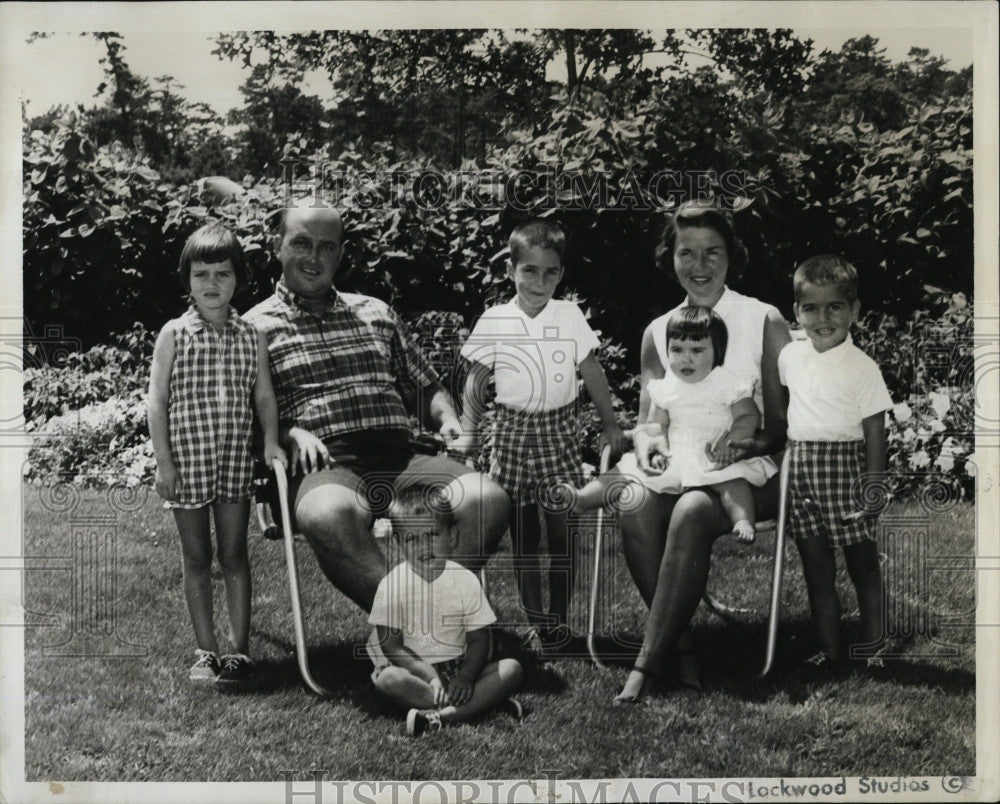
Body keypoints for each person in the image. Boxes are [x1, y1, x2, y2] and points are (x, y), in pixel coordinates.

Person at [243, 205, 510, 612]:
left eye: (326, 247)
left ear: (340, 254)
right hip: (323, 465)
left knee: (486, 499)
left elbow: (425, 387)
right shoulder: (251, 330)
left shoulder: (376, 312)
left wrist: (447, 418)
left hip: (402, 457)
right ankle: (413, 621)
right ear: (277, 246)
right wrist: (288, 434)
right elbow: (244, 422)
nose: (314, 257)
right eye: (301, 243)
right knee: (326, 515)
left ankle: (437, 616)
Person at [613, 200, 792, 703]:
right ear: (668, 257)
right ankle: (683, 647)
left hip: (750, 474)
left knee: (693, 508)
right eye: (686, 252)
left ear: (732, 256)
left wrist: (741, 445)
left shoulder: (764, 319)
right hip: (681, 466)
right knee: (633, 500)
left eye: (712, 252)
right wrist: (650, 446)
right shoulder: (659, 330)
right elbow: (650, 420)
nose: (699, 266)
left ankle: (645, 667)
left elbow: (779, 426)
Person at [453, 220, 628, 654]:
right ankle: (537, 622)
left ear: (561, 275)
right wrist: (470, 434)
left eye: (550, 272)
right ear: (510, 270)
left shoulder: (568, 316)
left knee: (563, 530)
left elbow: (591, 372)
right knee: (524, 536)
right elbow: (475, 381)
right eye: (529, 270)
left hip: (559, 434)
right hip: (511, 434)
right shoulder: (496, 320)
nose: (540, 281)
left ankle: (560, 618)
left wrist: (610, 423)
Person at [147, 221, 287, 683]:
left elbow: (264, 396)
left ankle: (239, 651)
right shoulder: (174, 334)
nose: (212, 284)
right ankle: (206, 650)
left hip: (232, 463)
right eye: (201, 274)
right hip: (187, 463)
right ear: (187, 279)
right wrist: (163, 461)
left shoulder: (252, 336)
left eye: (222, 274)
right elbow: (158, 400)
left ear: (237, 279)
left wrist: (269, 440)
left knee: (234, 555)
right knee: (196, 556)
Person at [572, 306, 777, 544]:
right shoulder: (667, 386)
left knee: (732, 483)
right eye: (677, 349)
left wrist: (731, 441)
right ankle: (583, 498)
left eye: (697, 350)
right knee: (625, 471)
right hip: (676, 453)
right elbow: (657, 425)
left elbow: (748, 416)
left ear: (717, 352)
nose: (685, 358)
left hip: (712, 455)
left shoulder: (727, 383)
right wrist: (659, 449)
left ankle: (742, 520)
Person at [780, 255, 893, 668]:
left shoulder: (863, 368)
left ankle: (873, 646)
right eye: (810, 308)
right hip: (802, 472)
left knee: (862, 566)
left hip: (845, 471)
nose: (822, 318)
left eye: (835, 307)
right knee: (817, 569)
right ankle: (828, 648)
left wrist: (874, 484)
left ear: (854, 309)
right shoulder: (790, 358)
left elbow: (875, 430)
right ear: (796, 312)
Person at [366, 485, 525, 736]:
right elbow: (391, 645)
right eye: (411, 539)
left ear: (451, 536)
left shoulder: (465, 580)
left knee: (512, 669)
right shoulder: (392, 585)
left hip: (460, 667)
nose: (422, 547)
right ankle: (479, 706)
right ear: (397, 543)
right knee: (388, 681)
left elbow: (479, 639)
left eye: (432, 535)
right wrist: (429, 676)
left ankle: (440, 716)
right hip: (415, 672)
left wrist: (467, 677)